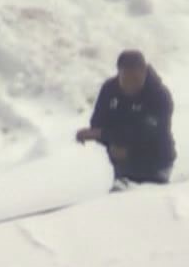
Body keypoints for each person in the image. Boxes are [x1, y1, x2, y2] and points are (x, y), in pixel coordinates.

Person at [75, 49, 176, 186]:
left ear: (144, 72)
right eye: (126, 79)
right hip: (123, 165)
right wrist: (110, 142)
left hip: (155, 164)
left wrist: (105, 135)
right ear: (119, 73)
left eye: (135, 79)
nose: (130, 85)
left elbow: (146, 133)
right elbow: (97, 123)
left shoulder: (159, 95)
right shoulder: (109, 90)